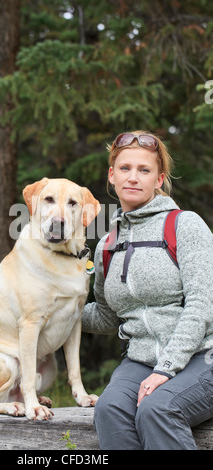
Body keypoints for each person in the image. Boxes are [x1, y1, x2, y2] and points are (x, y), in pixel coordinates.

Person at [82, 130, 213, 450]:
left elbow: (202, 304)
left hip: (202, 356)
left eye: (144, 170)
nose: (133, 177)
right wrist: (54, 307)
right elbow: (106, 316)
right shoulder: (107, 246)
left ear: (159, 179)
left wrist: (166, 370)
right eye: (125, 168)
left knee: (158, 409)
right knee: (109, 409)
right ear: (112, 175)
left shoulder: (185, 225)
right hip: (140, 361)